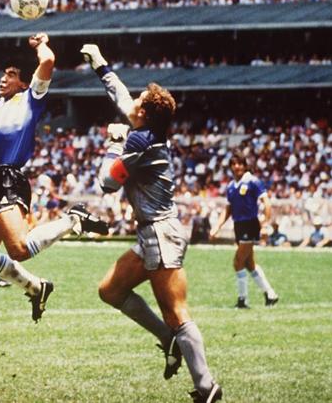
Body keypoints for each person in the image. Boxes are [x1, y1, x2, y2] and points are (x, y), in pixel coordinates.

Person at [80, 44, 222, 403]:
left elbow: (107, 182)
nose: (132, 105)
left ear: (143, 113)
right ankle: (168, 339)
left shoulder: (141, 141)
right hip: (152, 232)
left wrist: (113, 143)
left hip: (161, 233)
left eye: (138, 102)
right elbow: (123, 97)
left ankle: (207, 388)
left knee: (176, 311)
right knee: (110, 290)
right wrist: (101, 65)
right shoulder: (147, 131)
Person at [0, 33, 108, 322]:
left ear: (24, 82)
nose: (3, 80)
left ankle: (72, 220)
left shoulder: (31, 98)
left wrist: (40, 45)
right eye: (3, 75)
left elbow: (48, 60)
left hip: (10, 178)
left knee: (20, 249)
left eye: (10, 76)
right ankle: (36, 287)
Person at [209, 152, 279, 308]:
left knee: (237, 261)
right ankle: (270, 294)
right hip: (238, 225)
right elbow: (228, 210)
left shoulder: (253, 182)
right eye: (233, 164)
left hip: (250, 224)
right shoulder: (230, 186)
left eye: (239, 163)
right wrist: (216, 227)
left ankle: (243, 299)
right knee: (249, 263)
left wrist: (265, 225)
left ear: (245, 165)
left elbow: (267, 203)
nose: (236, 167)